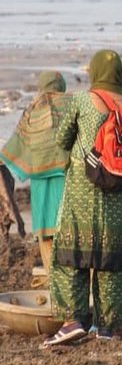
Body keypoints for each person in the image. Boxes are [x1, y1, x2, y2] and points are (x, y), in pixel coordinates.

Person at [45, 50, 122, 344]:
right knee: (112, 261)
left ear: (95, 72)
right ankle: (108, 327)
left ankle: (73, 321)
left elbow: (62, 139)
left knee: (71, 255)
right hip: (118, 193)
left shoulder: (80, 101)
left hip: (82, 189)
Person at [0, 71, 72, 269]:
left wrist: (2, 160)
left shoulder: (33, 109)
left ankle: (52, 278)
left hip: (42, 184)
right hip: (70, 181)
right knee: (72, 233)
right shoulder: (74, 105)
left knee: (46, 234)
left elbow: (17, 144)